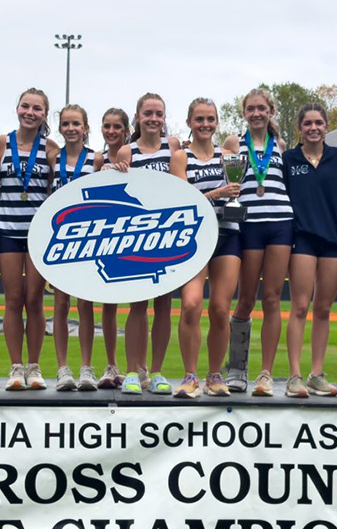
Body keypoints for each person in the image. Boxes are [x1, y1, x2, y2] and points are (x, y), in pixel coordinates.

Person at [221, 88, 291, 396]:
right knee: (246, 299)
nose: (256, 113)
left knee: (273, 299)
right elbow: (225, 179)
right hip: (248, 223)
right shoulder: (233, 143)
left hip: (280, 223)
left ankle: (265, 373)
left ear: (271, 111)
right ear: (244, 113)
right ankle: (236, 367)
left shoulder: (281, 144)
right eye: (250, 109)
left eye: (261, 108)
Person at [171, 98, 242, 398]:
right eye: (199, 119)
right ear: (189, 122)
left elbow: (235, 195)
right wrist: (217, 192)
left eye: (210, 119)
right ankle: (190, 377)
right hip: (194, 237)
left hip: (227, 234)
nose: (205, 124)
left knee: (220, 309)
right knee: (190, 305)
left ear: (216, 122)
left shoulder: (229, 156)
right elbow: (183, 199)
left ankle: (214, 376)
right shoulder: (180, 157)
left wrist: (229, 195)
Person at [114, 93, 180, 394]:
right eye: (148, 113)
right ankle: (131, 371)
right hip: (138, 236)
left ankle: (156, 371)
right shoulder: (128, 150)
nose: (154, 119)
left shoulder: (175, 147)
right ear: (138, 117)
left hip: (168, 235)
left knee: (164, 307)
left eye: (159, 114)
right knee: (137, 306)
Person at [0, 88, 58, 390]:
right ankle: (15, 367)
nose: (30, 113)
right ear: (17, 108)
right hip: (6, 228)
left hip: (37, 233)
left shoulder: (51, 147)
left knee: (34, 300)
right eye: (25, 106)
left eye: (37, 109)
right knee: (13, 299)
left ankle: (34, 367)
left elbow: (54, 187)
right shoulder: (2, 143)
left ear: (45, 114)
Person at [283, 104, 337, 398]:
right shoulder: (288, 159)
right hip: (302, 240)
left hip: (333, 240)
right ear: (300, 128)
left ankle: (316, 374)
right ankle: (294, 376)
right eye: (308, 123)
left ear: (326, 126)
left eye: (319, 122)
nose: (314, 127)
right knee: (300, 307)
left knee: (323, 309)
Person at [49, 104, 102, 392]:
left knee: (85, 305)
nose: (71, 128)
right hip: (60, 240)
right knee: (60, 304)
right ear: (60, 128)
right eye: (66, 124)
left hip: (88, 240)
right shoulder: (51, 158)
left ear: (85, 128)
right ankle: (62, 369)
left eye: (76, 124)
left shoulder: (95, 158)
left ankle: (85, 368)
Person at [97, 108, 130, 385]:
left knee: (139, 304)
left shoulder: (134, 156)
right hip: (104, 240)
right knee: (108, 305)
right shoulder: (97, 159)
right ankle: (111, 365)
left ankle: (138, 368)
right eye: (106, 126)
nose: (111, 131)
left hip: (132, 238)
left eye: (116, 126)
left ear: (126, 129)